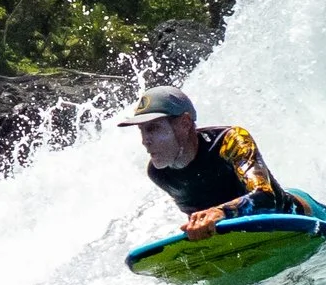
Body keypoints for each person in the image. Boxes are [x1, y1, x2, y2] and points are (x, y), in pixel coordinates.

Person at [117, 85, 310, 239]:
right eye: (141, 131)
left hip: (297, 212)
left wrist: (219, 212)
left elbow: (267, 197)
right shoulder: (159, 173)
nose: (144, 141)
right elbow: (197, 215)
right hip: (242, 230)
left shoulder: (230, 141)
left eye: (153, 129)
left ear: (184, 123)